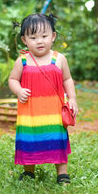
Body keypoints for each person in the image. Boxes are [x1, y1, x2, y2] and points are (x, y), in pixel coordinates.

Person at [8, 13, 78, 184]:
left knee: (56, 139)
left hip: (53, 111)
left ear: (53, 37)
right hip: (30, 111)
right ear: (24, 40)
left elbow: (67, 79)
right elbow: (12, 79)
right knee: (30, 139)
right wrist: (19, 90)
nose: (39, 41)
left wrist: (73, 99)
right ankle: (28, 171)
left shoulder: (59, 59)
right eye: (33, 37)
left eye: (44, 36)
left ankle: (62, 173)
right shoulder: (23, 61)